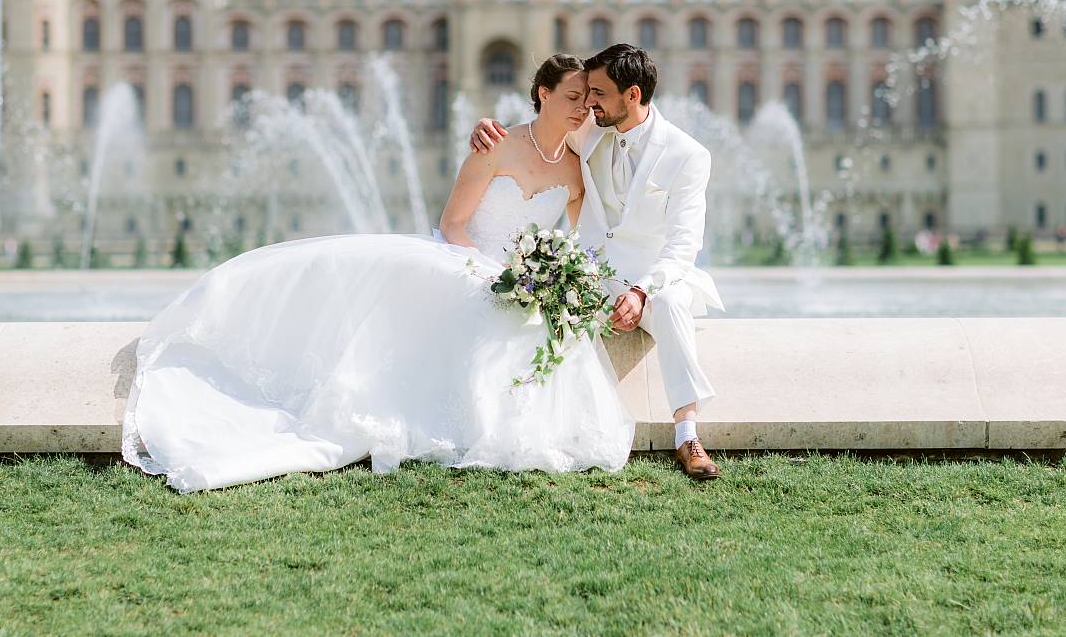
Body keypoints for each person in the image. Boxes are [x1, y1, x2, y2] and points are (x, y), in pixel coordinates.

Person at [122, 54, 635, 493]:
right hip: (463, 260)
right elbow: (453, 224)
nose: (582, 109)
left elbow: (570, 239)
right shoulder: (496, 143)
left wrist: (549, 280)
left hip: (524, 282)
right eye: (572, 97)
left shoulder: (577, 168)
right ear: (542, 94)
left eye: (587, 101)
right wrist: (492, 273)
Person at [470, 43, 726, 480]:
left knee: (669, 305)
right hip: (594, 275)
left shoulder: (688, 155)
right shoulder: (589, 129)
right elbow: (537, 128)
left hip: (657, 277)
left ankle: (687, 434)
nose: (589, 103)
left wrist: (643, 289)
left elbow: (684, 245)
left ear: (632, 95)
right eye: (587, 93)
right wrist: (485, 127)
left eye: (599, 93)